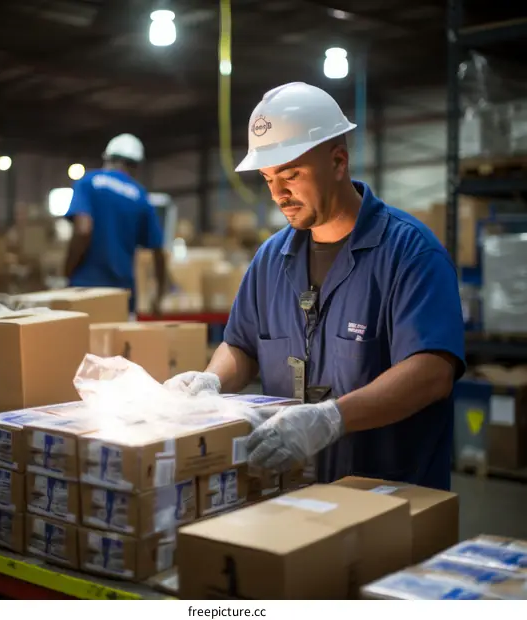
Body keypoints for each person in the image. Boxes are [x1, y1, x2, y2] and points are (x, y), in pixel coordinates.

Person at [164, 82, 465, 491]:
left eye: (291, 175)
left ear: (338, 161)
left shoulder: (410, 253)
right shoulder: (271, 260)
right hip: (293, 495)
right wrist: (212, 379)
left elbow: (431, 373)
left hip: (388, 498)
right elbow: (242, 345)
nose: (277, 194)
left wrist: (331, 418)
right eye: (268, 178)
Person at [64, 133, 167, 317]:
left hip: (84, 291)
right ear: (136, 166)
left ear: (107, 158)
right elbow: (158, 251)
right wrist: (158, 295)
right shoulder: (140, 196)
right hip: (123, 295)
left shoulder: (88, 182)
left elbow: (83, 229)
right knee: (120, 345)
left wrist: (67, 271)